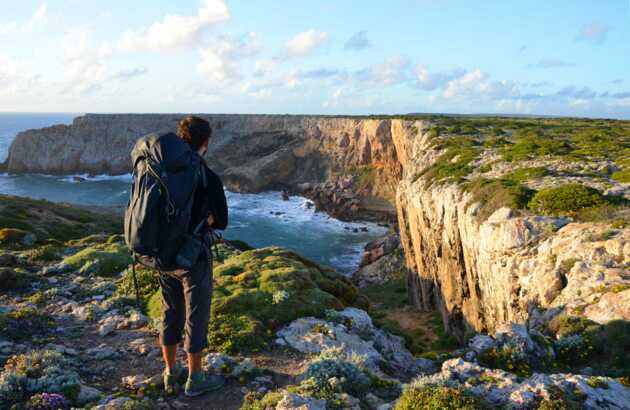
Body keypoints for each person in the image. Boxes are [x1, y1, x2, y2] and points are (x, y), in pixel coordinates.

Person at [159, 115, 228, 397]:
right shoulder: (206, 175)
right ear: (205, 143)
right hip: (192, 256)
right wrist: (207, 219)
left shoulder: (162, 169)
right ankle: (195, 378)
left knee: (169, 311)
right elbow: (222, 219)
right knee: (196, 315)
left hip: (162, 254)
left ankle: (170, 371)